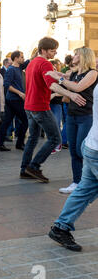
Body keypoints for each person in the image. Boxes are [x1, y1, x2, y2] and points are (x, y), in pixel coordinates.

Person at [20, 37, 86, 182]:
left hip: (29, 106)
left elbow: (50, 80)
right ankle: (34, 166)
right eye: (52, 50)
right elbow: (52, 85)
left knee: (32, 138)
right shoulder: (45, 64)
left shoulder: (32, 63)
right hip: (40, 107)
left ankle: (24, 169)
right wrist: (71, 94)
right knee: (56, 138)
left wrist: (63, 77)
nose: (55, 52)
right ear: (43, 50)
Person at [48, 78, 98, 252]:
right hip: (96, 149)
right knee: (83, 190)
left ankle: (60, 227)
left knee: (84, 190)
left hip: (92, 145)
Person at [47, 47, 98, 194]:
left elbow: (78, 87)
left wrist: (60, 79)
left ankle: (88, 180)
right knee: (73, 151)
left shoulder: (93, 73)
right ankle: (77, 182)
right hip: (71, 115)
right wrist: (57, 77)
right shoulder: (74, 73)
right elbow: (64, 80)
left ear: (83, 57)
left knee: (82, 150)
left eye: (76, 54)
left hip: (86, 116)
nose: (73, 56)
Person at [0, 51, 29, 152]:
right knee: (25, 121)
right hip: (14, 100)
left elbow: (29, 61)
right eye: (21, 57)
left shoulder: (19, 67)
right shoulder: (11, 69)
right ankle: (19, 144)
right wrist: (19, 93)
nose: (23, 59)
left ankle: (0, 144)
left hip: (14, 100)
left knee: (6, 122)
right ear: (16, 58)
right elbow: (7, 85)